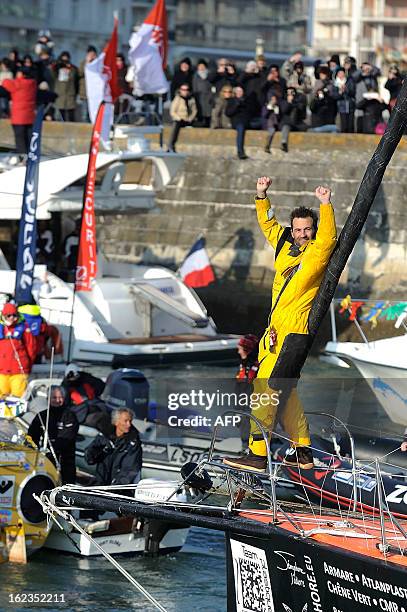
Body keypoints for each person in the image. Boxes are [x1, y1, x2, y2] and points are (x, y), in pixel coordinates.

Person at [223, 176, 337, 472]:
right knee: (286, 392)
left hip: (293, 333)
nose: (301, 234)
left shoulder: (317, 252)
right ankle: (303, 451)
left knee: (266, 389)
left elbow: (328, 238)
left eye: (306, 229)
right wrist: (262, 195)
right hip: (274, 333)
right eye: (298, 229)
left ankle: (258, 453)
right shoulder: (285, 244)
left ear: (313, 230)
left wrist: (326, 205)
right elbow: (269, 225)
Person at [27, 385, 78, 484]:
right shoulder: (42, 416)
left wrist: (53, 446)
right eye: (54, 398)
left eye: (60, 398)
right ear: (48, 399)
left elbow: (68, 438)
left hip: (66, 462)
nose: (57, 400)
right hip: (46, 460)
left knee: (67, 485)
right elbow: (32, 437)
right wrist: (33, 449)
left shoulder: (70, 416)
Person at [84, 407, 142, 487]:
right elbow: (89, 459)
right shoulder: (104, 435)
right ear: (116, 422)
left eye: (130, 421)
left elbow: (130, 470)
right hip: (100, 484)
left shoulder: (133, 443)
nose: (129, 424)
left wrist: (115, 487)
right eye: (125, 421)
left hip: (119, 489)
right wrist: (98, 447)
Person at [0, 302, 37, 397]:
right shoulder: (1, 329)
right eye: (9, 315)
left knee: (17, 397)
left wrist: (28, 365)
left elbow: (31, 347)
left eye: (14, 315)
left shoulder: (24, 329)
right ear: (4, 315)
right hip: (2, 371)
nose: (12, 318)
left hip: (18, 371)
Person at [0, 66, 37, 159]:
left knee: (20, 140)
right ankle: (30, 157)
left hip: (19, 118)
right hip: (30, 117)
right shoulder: (33, 83)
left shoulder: (18, 83)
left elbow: (5, 83)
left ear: (23, 74)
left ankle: (22, 159)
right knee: (29, 139)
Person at [235, 334, 259, 445]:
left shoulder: (255, 368)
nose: (238, 352)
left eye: (240, 349)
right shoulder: (244, 365)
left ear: (247, 350)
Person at [167, 84, 197, 153]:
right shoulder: (177, 99)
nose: (185, 91)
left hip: (188, 119)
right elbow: (172, 111)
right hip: (179, 119)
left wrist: (190, 118)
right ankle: (171, 145)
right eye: (183, 90)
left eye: (186, 90)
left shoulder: (191, 99)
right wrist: (178, 118)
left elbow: (194, 110)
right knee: (175, 127)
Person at [225, 85, 251, 160]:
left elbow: (250, 111)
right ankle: (240, 151)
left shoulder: (246, 100)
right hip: (237, 122)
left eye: (241, 91)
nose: (240, 93)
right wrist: (236, 106)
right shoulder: (232, 101)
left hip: (246, 121)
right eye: (238, 91)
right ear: (235, 93)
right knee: (240, 129)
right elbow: (228, 113)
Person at [52, 51, 79, 122]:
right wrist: (58, 64)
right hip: (59, 96)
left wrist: (69, 68)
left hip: (70, 96)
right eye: (63, 60)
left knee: (71, 116)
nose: (64, 62)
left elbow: (76, 81)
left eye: (66, 60)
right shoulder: (57, 69)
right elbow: (52, 73)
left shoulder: (73, 69)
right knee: (60, 116)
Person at [192, 59, 213, 127]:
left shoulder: (209, 75)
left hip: (208, 96)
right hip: (199, 96)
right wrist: (195, 96)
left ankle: (207, 124)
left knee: (208, 113)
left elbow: (212, 86)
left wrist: (211, 95)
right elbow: (194, 86)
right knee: (200, 111)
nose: (201, 67)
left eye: (203, 66)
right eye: (200, 66)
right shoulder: (195, 76)